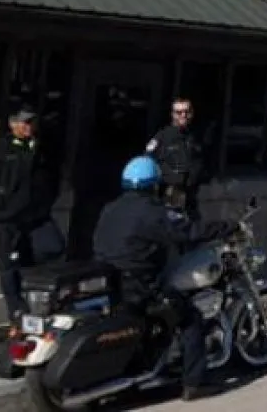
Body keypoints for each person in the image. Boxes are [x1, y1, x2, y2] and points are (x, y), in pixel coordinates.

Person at [93, 156, 234, 402]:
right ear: (153, 185)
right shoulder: (153, 212)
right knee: (190, 319)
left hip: (111, 281)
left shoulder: (111, 207)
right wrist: (225, 227)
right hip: (140, 284)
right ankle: (194, 384)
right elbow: (187, 232)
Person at [0, 110, 61, 323]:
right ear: (13, 125)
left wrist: (45, 201)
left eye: (32, 122)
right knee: (9, 266)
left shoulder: (41, 150)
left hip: (36, 217)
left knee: (53, 247)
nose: (28, 127)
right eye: (24, 123)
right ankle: (17, 311)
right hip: (7, 219)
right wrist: (4, 203)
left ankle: (37, 299)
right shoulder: (0, 151)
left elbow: (52, 179)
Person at [146, 98, 208, 220]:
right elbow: (148, 162)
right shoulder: (163, 136)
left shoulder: (196, 136)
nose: (183, 115)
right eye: (179, 112)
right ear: (173, 114)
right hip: (169, 194)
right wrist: (170, 176)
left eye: (187, 111)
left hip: (192, 195)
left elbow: (201, 160)